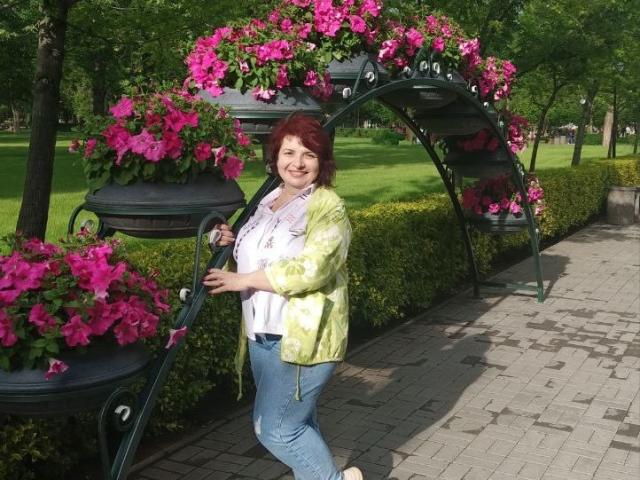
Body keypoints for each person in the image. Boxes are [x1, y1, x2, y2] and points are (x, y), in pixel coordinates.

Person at [203, 113, 362, 480]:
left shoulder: (328, 207)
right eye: (289, 152)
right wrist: (226, 241)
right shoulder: (267, 201)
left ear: (322, 161)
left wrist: (243, 280)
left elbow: (313, 269)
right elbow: (254, 251)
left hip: (301, 339)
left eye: (309, 154)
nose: (297, 163)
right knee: (299, 424)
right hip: (261, 336)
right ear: (275, 156)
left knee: (276, 429)